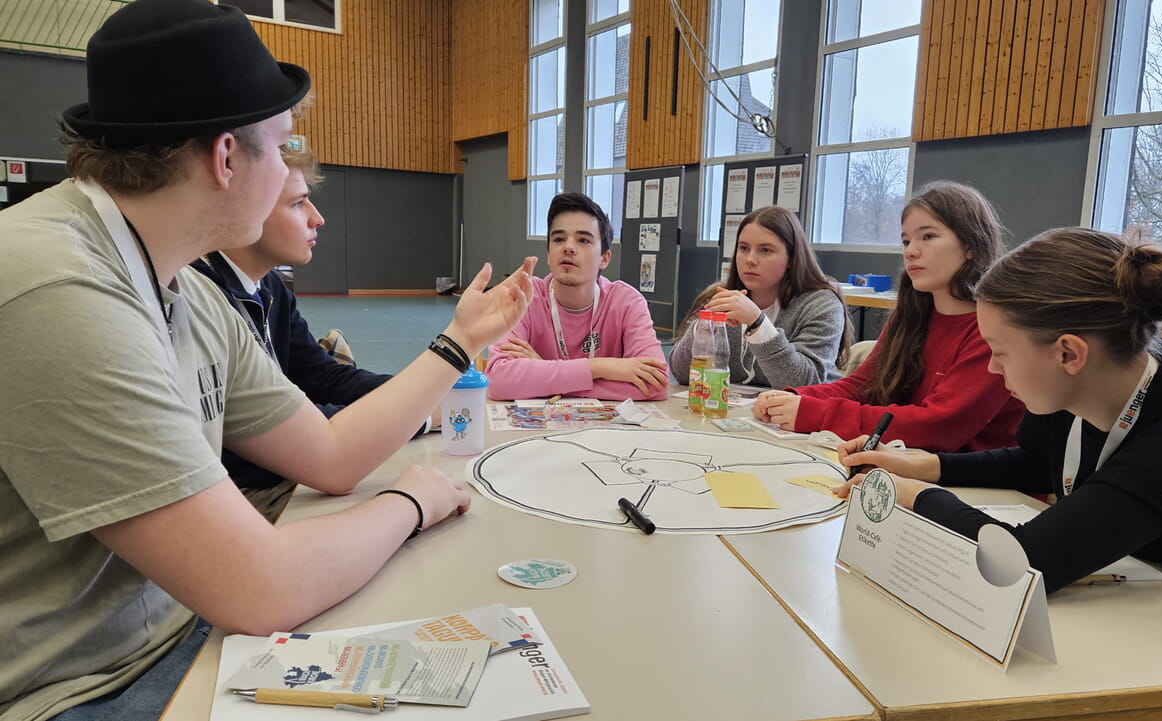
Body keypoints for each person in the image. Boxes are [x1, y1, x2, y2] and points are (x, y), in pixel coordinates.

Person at [0, 2, 535, 720]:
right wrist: (411, 502)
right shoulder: (61, 287)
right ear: (226, 157)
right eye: (282, 146)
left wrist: (458, 341)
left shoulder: (182, 282)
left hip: (182, 629)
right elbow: (262, 586)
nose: (293, 172)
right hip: (85, 688)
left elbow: (334, 452)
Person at [836, 228, 1162, 601]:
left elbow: (1026, 561)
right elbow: (1036, 462)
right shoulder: (1085, 385)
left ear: (1068, 352)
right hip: (1160, 606)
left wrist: (915, 496)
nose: (992, 366)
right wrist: (929, 465)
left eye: (1000, 351)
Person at [191, 146, 421, 521]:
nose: (318, 218)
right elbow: (297, 433)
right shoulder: (204, 296)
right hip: (242, 497)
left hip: (280, 475)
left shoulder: (270, 287)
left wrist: (408, 396)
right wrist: (414, 414)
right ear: (247, 205)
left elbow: (321, 375)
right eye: (298, 203)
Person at [752, 182, 1022, 452]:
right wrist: (792, 398)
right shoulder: (911, 317)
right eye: (906, 241)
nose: (911, 251)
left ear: (970, 245)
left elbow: (938, 426)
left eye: (928, 236)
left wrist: (814, 412)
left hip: (974, 483)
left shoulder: (991, 330)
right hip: (906, 463)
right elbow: (863, 385)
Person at [486, 191, 669, 401]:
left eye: (583, 240)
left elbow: (657, 384)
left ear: (604, 258)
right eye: (559, 239)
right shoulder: (526, 297)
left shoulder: (626, 302)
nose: (568, 247)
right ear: (548, 254)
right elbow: (498, 381)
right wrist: (601, 367)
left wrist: (546, 377)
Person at [670, 206, 852, 389]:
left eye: (765, 250)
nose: (750, 259)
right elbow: (682, 374)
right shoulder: (720, 295)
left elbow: (804, 384)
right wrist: (703, 329)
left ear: (791, 258)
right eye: (743, 248)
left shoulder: (822, 305)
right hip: (740, 413)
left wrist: (757, 323)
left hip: (802, 414)